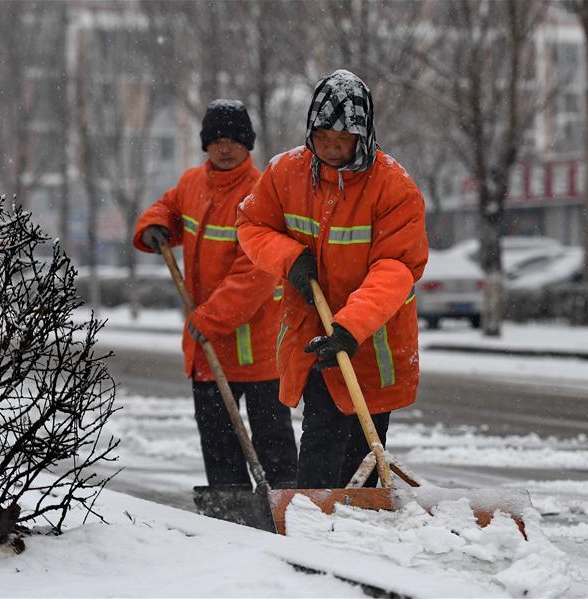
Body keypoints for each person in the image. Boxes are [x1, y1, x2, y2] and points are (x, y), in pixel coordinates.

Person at [236, 70, 428, 489]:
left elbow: (396, 268)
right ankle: (312, 527)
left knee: (360, 453)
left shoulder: (393, 188)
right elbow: (250, 226)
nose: (331, 148)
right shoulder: (286, 173)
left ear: (364, 135)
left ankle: (354, 530)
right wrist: (291, 259)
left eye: (343, 140)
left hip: (372, 346)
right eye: (322, 137)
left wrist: (351, 325)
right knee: (320, 444)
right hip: (316, 336)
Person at [133, 99, 297, 488]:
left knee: (273, 445)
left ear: (249, 145)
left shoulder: (262, 192)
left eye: (235, 140)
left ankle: (285, 506)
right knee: (219, 447)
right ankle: (230, 508)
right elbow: (166, 209)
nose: (225, 148)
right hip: (207, 352)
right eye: (218, 140)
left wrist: (208, 319)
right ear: (206, 143)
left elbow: (254, 274)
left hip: (258, 353)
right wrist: (154, 226)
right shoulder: (193, 184)